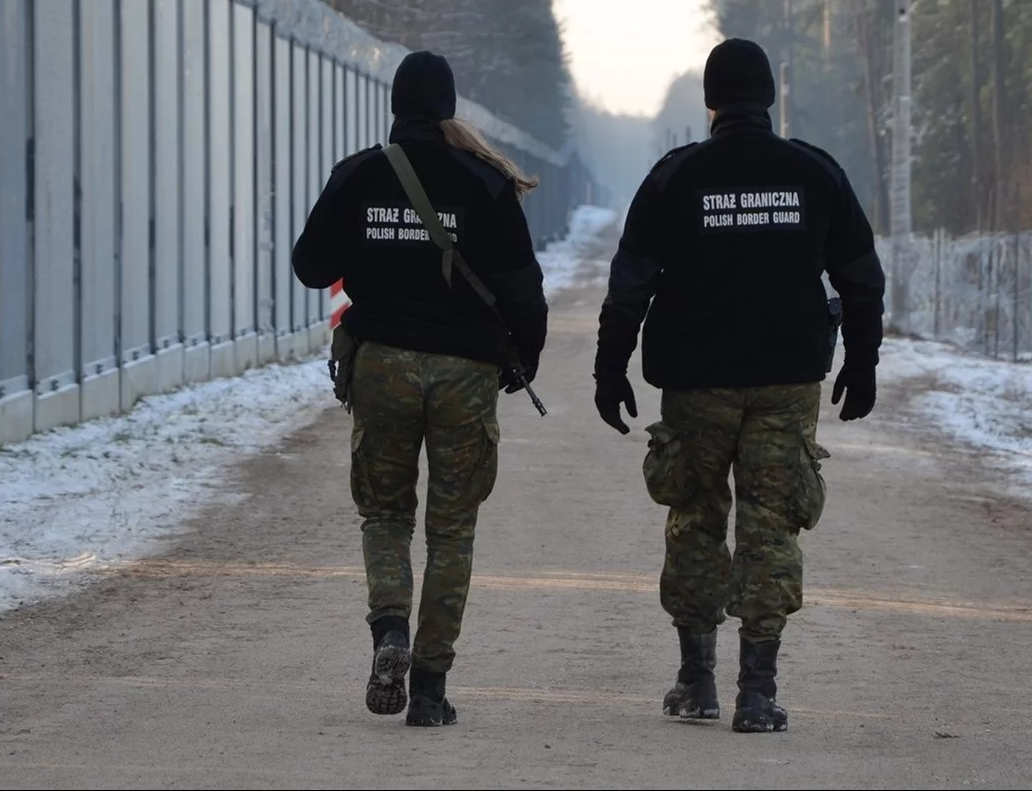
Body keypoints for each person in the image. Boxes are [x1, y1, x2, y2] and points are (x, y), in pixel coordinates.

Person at [592, 38, 885, 733]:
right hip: (786, 379)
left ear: (710, 100)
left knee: (695, 517)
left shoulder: (676, 175)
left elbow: (631, 279)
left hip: (696, 383)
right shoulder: (813, 173)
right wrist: (863, 358)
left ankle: (695, 681)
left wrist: (610, 367)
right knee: (771, 525)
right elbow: (859, 275)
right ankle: (757, 689)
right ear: (769, 97)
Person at [293, 50, 548, 728]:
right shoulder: (484, 180)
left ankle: (389, 635)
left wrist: (370, 250)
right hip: (465, 372)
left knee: (384, 514)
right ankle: (430, 689)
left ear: (395, 104)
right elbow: (524, 288)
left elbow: (308, 264)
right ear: (448, 107)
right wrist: (525, 360)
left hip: (381, 366)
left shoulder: (358, 174)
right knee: (452, 528)